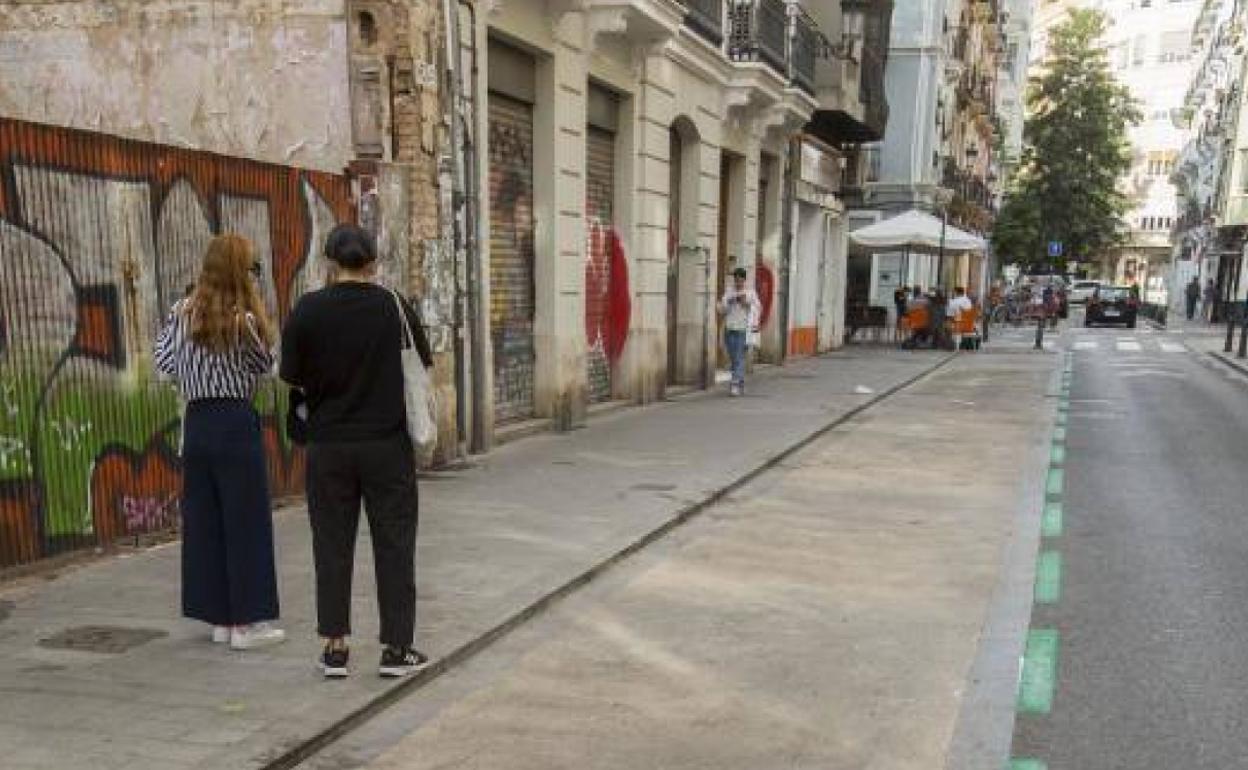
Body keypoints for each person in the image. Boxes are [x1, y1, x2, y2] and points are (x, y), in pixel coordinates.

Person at [281, 224, 434, 679]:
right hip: (387, 446)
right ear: (371, 261)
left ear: (330, 260)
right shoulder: (394, 307)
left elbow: (291, 377)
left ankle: (335, 648)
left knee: (331, 543)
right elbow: (423, 364)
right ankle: (396, 649)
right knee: (394, 543)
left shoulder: (307, 310)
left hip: (329, 446)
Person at [154, 234, 285, 651]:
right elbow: (266, 366)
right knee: (246, 520)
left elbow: (164, 364)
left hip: (197, 423)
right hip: (234, 419)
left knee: (206, 521)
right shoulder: (243, 319)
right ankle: (248, 623)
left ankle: (221, 618)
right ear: (239, 270)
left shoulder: (181, 313)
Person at [719, 267, 761, 397]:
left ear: (744, 280)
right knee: (733, 358)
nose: (738, 283)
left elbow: (758, 308)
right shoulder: (729, 292)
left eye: (740, 281)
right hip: (730, 328)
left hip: (743, 330)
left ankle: (735, 384)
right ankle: (740, 381)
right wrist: (729, 302)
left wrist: (747, 304)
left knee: (738, 357)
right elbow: (722, 309)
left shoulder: (750, 293)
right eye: (736, 280)